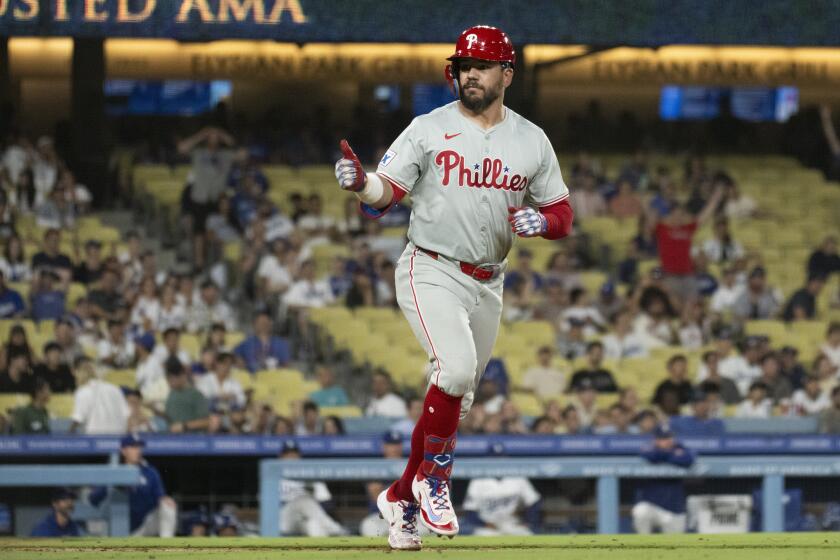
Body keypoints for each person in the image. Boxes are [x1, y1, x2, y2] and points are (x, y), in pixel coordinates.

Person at [335, 24, 574, 548]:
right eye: (464, 65)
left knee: (456, 398)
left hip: (489, 280)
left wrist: (545, 224)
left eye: (482, 66)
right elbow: (386, 190)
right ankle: (434, 480)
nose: (470, 73)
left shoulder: (530, 139)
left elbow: (561, 212)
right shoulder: (427, 127)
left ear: (506, 74)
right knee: (456, 370)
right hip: (432, 266)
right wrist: (360, 183)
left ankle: (400, 497)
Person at [89, 434, 177, 537]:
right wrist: (111, 484)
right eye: (133, 447)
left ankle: (166, 546)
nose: (138, 450)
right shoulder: (112, 470)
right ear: (123, 450)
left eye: (139, 447)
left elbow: (160, 496)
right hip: (114, 526)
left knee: (168, 505)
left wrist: (165, 499)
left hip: (143, 526)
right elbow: (93, 500)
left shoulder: (150, 471)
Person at [461, 448, 542, 536]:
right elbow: (470, 511)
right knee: (484, 537)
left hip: (511, 523)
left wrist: (529, 521)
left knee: (527, 535)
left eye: (500, 458)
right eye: (494, 459)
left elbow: (533, 501)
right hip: (487, 525)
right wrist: (484, 524)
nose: (497, 461)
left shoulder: (517, 477)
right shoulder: (478, 480)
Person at [632, 425, 695, 534]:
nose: (667, 441)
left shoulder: (681, 448)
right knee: (640, 511)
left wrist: (664, 455)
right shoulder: (649, 447)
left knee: (675, 547)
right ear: (656, 440)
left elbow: (688, 459)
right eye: (663, 439)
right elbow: (650, 455)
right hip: (653, 507)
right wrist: (671, 454)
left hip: (675, 510)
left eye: (669, 437)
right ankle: (643, 543)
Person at [277, 440, 347, 537]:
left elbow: (327, 504)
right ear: (281, 457)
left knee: (314, 525)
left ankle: (322, 550)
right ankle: (337, 530)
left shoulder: (309, 476)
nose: (292, 458)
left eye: (294, 454)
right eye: (288, 455)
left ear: (299, 457)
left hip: (305, 518)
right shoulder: (273, 477)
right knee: (302, 500)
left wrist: (311, 500)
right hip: (281, 520)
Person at [69, 357, 129, 434]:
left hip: (95, 440)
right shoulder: (114, 388)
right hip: (118, 438)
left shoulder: (82, 392)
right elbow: (127, 414)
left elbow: (78, 418)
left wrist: (67, 436)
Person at [163, 357, 213, 433]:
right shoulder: (171, 394)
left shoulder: (195, 395)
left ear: (183, 376)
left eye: (172, 378)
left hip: (193, 440)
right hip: (173, 439)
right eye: (168, 379)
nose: (170, 382)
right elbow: (171, 418)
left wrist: (184, 426)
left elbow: (206, 422)